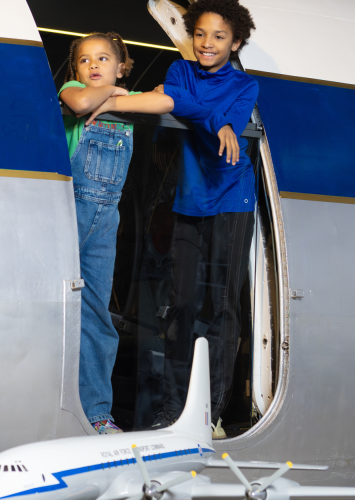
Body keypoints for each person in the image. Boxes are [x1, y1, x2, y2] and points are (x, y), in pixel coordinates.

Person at [148, 0, 258, 430]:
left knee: (222, 307)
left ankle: (210, 411)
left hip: (233, 198)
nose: (207, 43)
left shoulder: (246, 85)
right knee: (181, 306)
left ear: (237, 42)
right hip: (189, 201)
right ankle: (171, 408)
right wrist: (219, 120)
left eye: (219, 36)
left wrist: (215, 118)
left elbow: (184, 107)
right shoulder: (180, 72)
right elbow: (184, 105)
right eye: (200, 34)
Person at [58, 32, 174, 434]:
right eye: (85, 60)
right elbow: (80, 102)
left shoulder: (123, 96)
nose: (93, 65)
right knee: (55, 310)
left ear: (122, 66)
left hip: (106, 222)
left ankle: (96, 414)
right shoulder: (73, 90)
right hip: (69, 211)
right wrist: (110, 95)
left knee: (97, 318)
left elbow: (164, 101)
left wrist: (113, 98)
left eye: (104, 59)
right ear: (75, 70)